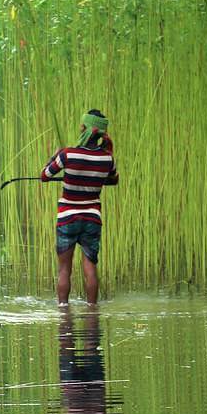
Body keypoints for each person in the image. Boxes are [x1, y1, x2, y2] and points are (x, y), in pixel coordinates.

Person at [41, 109, 118, 305]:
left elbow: (45, 175)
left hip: (67, 217)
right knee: (90, 268)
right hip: (92, 218)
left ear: (83, 128)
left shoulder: (67, 154)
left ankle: (63, 309)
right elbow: (113, 180)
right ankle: (92, 309)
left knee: (64, 269)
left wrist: (54, 157)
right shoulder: (107, 158)